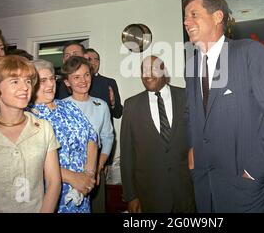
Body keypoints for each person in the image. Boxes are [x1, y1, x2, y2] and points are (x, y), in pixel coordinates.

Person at [183, 0, 264, 213]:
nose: (186, 22)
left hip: (251, 194)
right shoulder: (190, 66)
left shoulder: (250, 52)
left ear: (218, 16)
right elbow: (191, 115)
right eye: (185, 17)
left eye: (193, 14)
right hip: (206, 191)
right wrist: (192, 151)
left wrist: (255, 171)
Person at [0, 55, 61, 212]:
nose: (25, 87)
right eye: (15, 81)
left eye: (27, 81)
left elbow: (54, 183)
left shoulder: (43, 128)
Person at [120, 55, 195, 213]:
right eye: (144, 70)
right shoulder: (131, 105)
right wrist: (131, 196)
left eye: (153, 68)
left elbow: (198, 139)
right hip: (150, 196)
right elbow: (127, 155)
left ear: (164, 71)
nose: (148, 74)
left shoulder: (186, 97)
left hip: (187, 192)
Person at [29, 59, 98, 213]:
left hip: (82, 191)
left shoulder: (68, 106)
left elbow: (92, 138)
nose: (50, 84)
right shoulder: (27, 115)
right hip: (51, 197)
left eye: (52, 79)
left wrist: (89, 175)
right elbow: (29, 161)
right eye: (43, 81)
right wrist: (73, 178)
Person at [62, 56, 114, 213]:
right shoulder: (60, 107)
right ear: (67, 82)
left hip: (95, 170)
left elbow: (108, 137)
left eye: (86, 75)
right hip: (67, 173)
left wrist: (99, 166)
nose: (83, 80)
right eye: (76, 77)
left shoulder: (101, 105)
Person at [84, 48, 123, 121]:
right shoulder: (78, 84)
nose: (93, 62)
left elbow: (118, 114)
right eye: (89, 59)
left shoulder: (109, 82)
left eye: (96, 59)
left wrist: (113, 103)